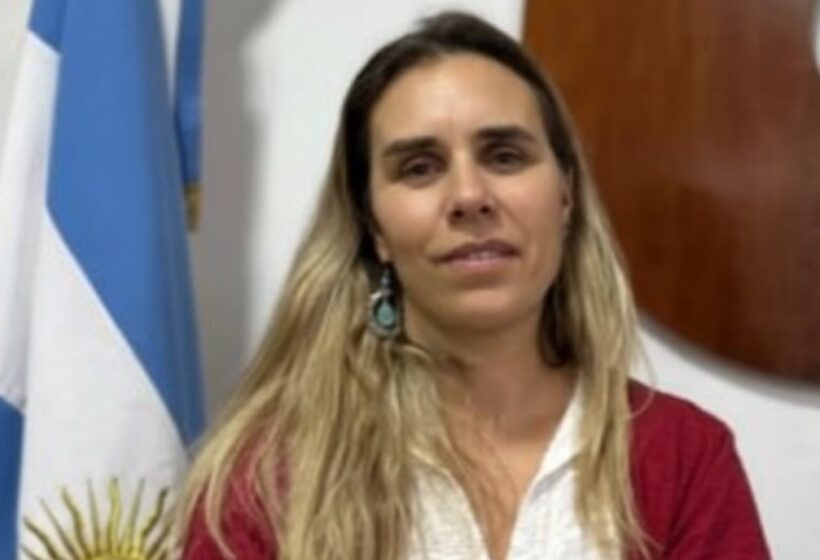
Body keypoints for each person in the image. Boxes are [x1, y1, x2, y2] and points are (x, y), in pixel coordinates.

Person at [179, 12, 770, 560]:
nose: (469, 196)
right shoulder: (265, 480)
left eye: (505, 156)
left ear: (564, 195)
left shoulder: (686, 459)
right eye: (419, 167)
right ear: (373, 226)